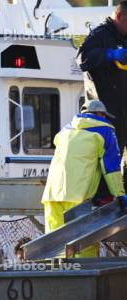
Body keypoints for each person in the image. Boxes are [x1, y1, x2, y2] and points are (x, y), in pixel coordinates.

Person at [41, 100, 126, 258]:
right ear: (100, 114)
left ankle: (55, 282)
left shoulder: (64, 131)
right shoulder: (105, 130)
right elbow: (111, 167)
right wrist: (120, 194)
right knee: (83, 249)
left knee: (53, 250)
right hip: (78, 197)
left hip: (51, 196)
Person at [77, 1, 127, 192]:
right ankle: (106, 200)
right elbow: (82, 58)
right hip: (104, 114)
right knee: (108, 159)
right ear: (120, 16)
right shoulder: (100, 35)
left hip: (123, 110)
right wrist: (109, 54)